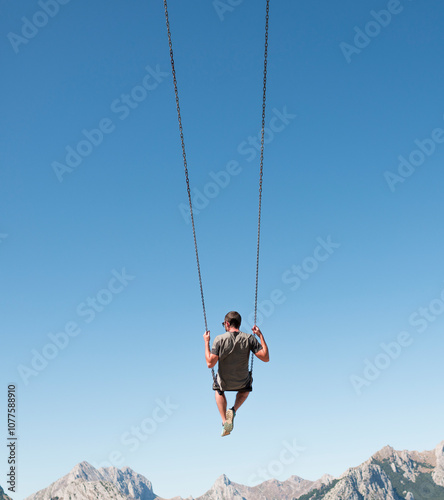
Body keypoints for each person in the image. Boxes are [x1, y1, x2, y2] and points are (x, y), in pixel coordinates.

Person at [203, 311, 269, 437]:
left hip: (224, 382)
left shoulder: (219, 339)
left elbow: (210, 363)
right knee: (246, 389)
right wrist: (260, 335)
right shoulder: (249, 338)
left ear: (227, 324)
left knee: (218, 390)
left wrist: (206, 341)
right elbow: (265, 358)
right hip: (242, 382)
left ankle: (224, 421)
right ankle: (233, 410)